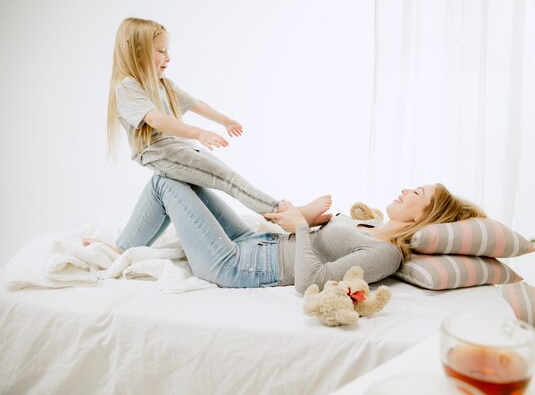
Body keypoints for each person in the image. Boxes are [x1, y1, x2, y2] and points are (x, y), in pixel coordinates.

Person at [86, 177, 486, 293]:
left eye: (417, 193)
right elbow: (315, 240)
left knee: (164, 184)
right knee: (185, 178)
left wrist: (301, 227)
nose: (406, 189)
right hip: (254, 242)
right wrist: (308, 221)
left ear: (427, 214)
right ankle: (122, 246)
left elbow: (311, 281)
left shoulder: (387, 253)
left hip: (239, 267)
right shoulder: (373, 224)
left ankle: (118, 251)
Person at [107, 17, 330, 225]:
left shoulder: (163, 84)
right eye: (161, 51)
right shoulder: (126, 86)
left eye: (167, 51)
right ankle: (284, 213)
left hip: (177, 148)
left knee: (225, 177)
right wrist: (199, 133)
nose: (168, 58)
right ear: (138, 54)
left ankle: (124, 245)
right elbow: (155, 119)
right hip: (159, 153)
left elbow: (195, 104)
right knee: (228, 179)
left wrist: (225, 120)